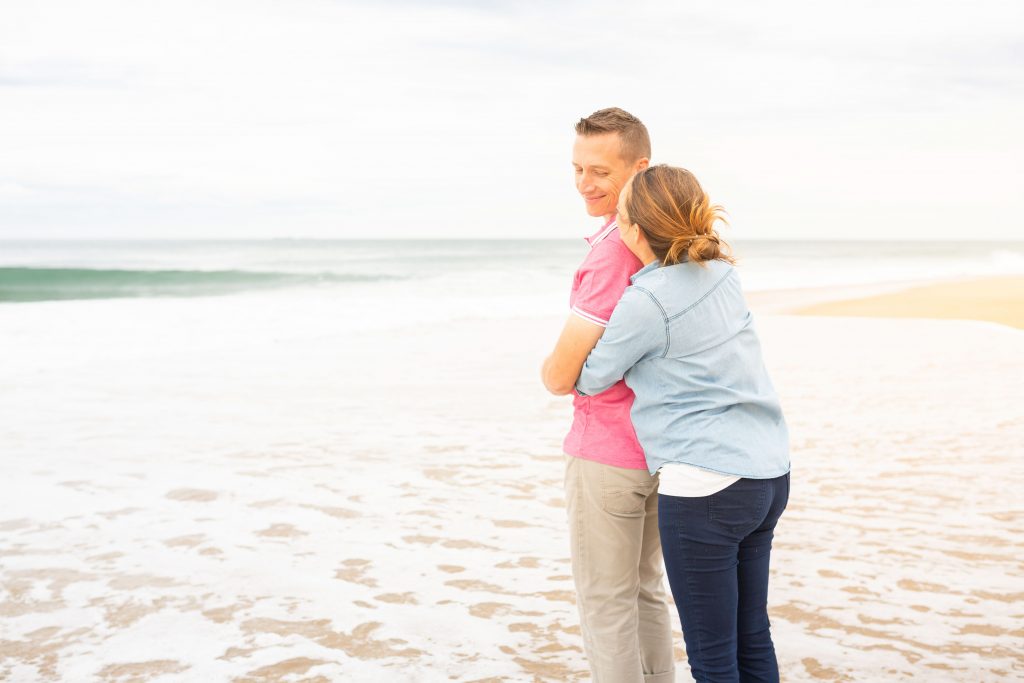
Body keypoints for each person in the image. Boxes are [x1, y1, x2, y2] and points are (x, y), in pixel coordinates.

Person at [575, 165, 792, 683]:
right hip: (768, 474)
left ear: (631, 231)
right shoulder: (723, 274)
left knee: (713, 658)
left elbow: (589, 378)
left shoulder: (646, 299)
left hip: (706, 486)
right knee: (751, 635)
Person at [541, 109, 675, 683]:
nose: (584, 183)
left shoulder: (609, 254)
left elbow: (559, 375)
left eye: (599, 170)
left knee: (604, 602)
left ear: (639, 168)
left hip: (607, 454)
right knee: (644, 591)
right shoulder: (665, 247)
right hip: (659, 447)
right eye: (576, 168)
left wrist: (551, 368)